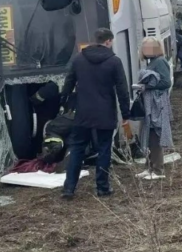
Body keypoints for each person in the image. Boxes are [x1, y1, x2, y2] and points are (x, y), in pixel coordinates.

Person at [60, 28, 132, 199]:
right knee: (104, 149)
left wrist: (65, 104)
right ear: (108, 41)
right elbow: (122, 89)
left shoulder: (78, 59)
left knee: (77, 149)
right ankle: (102, 187)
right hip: (105, 113)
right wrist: (126, 113)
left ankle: (69, 188)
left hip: (83, 113)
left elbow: (68, 84)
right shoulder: (114, 61)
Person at [134, 38, 174, 180]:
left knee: (155, 135)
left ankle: (158, 169)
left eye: (148, 47)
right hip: (151, 103)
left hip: (157, 105)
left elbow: (166, 82)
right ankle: (149, 167)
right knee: (149, 135)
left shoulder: (160, 62)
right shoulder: (152, 62)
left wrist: (146, 86)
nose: (145, 50)